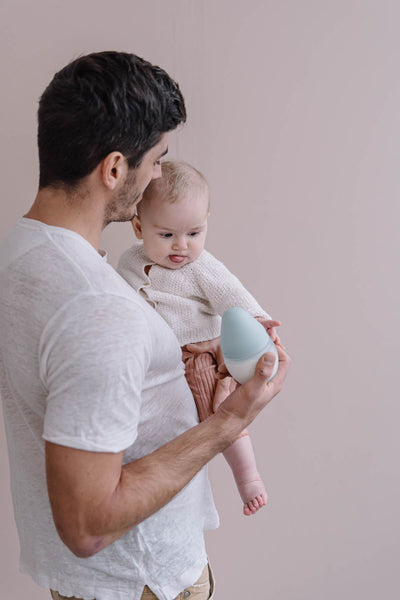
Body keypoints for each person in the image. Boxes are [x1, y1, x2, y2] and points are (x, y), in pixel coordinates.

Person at [0, 51, 290, 600]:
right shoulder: (95, 305)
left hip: (86, 583)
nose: (160, 174)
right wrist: (230, 422)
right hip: (142, 580)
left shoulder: (21, 253)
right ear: (114, 169)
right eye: (156, 159)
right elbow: (88, 524)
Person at [118, 159, 282, 517]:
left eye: (194, 233)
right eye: (166, 235)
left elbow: (232, 296)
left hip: (195, 356)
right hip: (152, 362)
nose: (181, 246)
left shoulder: (200, 266)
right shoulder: (129, 263)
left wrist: (258, 322)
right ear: (138, 226)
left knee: (218, 413)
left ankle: (248, 477)